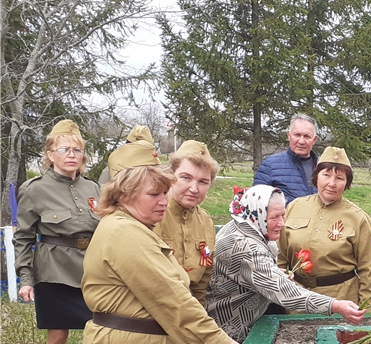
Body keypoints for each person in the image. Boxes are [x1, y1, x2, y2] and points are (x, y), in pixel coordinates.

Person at [81, 141, 237, 344]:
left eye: (165, 193)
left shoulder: (133, 226)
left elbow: (194, 290)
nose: (164, 201)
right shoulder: (125, 232)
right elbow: (171, 300)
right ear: (124, 193)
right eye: (154, 194)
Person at [206, 185, 366, 343]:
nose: (282, 223)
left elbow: (249, 273)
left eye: (283, 215)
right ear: (257, 214)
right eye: (275, 217)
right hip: (229, 331)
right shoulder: (245, 246)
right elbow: (286, 293)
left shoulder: (244, 223)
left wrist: (271, 273)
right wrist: (335, 305)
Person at [13, 119, 100, 344]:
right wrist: (26, 279)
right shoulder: (34, 190)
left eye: (77, 150)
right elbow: (23, 237)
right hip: (54, 273)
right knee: (58, 334)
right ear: (50, 155)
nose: (71, 155)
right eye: (64, 149)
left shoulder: (93, 188)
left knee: (102, 329)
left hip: (92, 270)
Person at [277, 146, 371, 312]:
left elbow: (370, 272)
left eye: (339, 178)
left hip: (341, 302)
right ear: (316, 176)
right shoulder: (294, 207)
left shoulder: (358, 218)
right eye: (326, 175)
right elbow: (279, 256)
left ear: (347, 182)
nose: (331, 183)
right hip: (296, 299)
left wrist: (367, 315)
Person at [153, 140, 219, 306]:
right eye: (185, 178)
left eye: (203, 182)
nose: (194, 188)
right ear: (170, 176)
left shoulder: (205, 221)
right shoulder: (151, 215)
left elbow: (202, 282)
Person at [253, 113, 319, 204]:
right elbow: (257, 203)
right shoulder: (270, 166)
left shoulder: (323, 167)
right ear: (289, 135)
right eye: (297, 135)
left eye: (307, 136)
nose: (301, 141)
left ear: (314, 140)